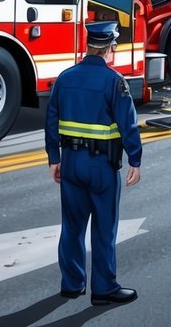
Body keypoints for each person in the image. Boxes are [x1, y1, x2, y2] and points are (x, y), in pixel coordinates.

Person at [45, 21, 143, 306]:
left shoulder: (64, 78)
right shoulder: (115, 81)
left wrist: (54, 158)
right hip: (102, 167)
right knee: (104, 229)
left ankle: (72, 284)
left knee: (72, 227)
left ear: (89, 47)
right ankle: (104, 289)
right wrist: (135, 159)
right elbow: (129, 125)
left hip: (72, 163)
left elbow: (51, 122)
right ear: (110, 48)